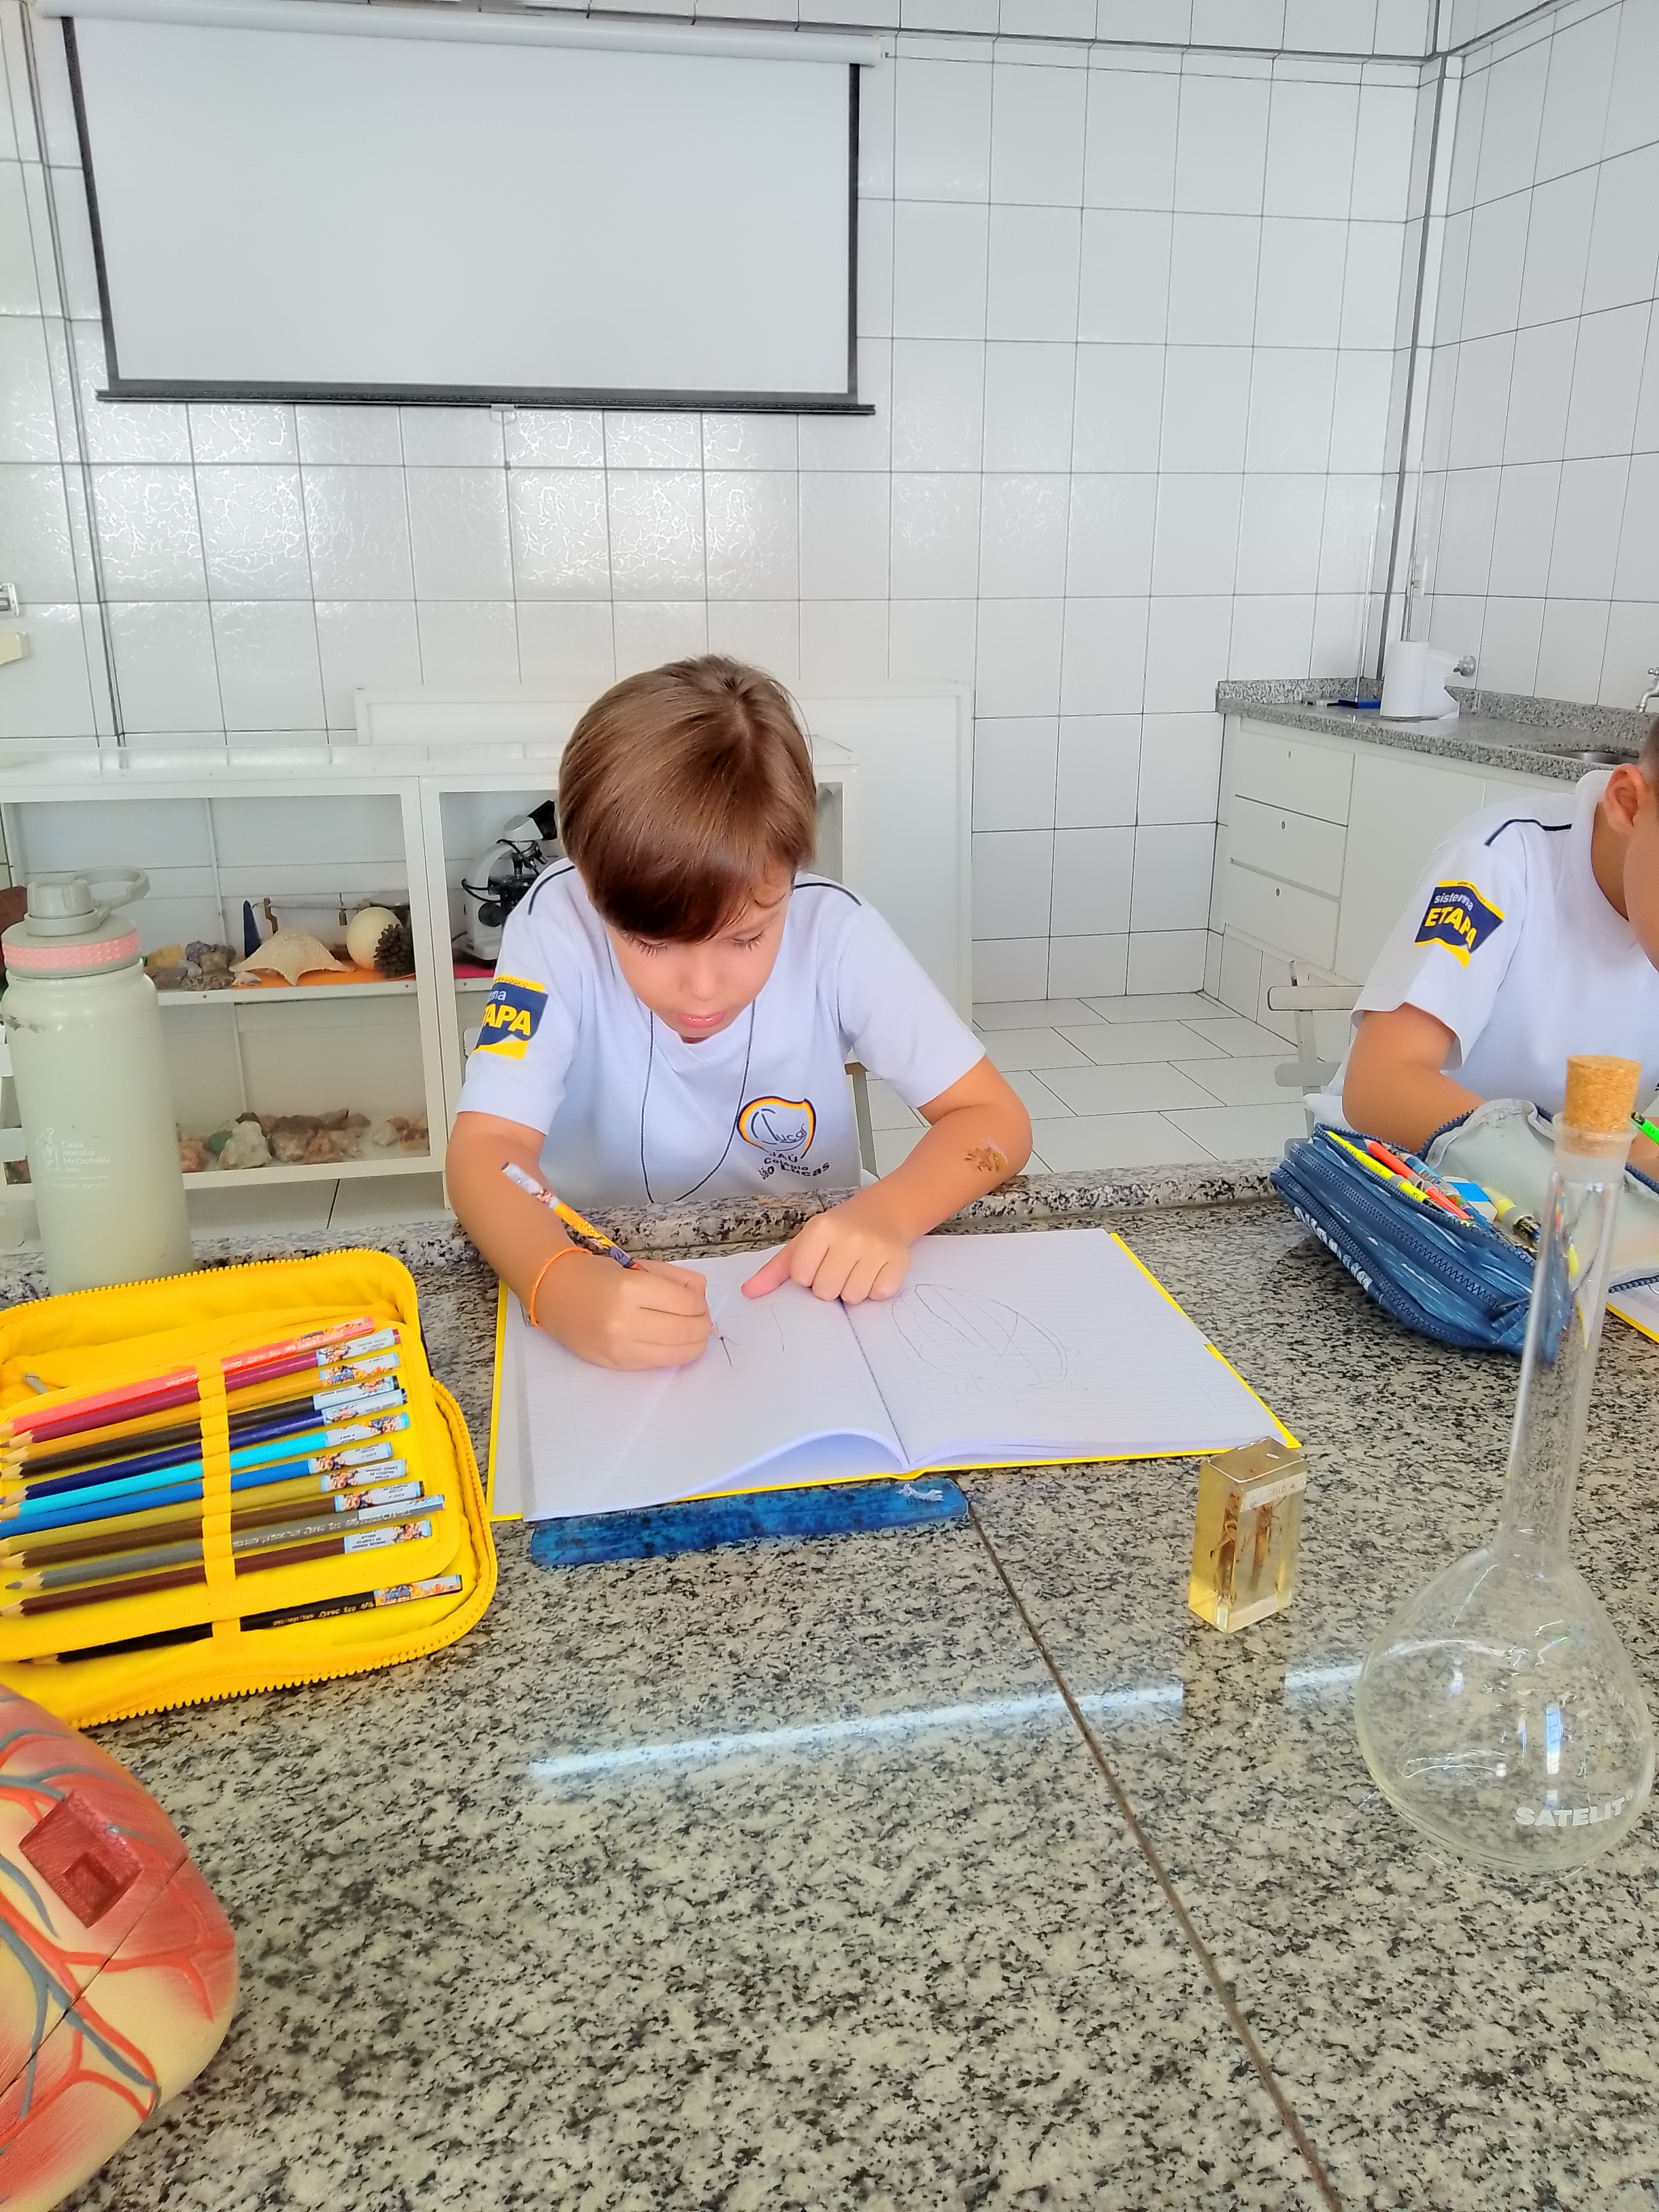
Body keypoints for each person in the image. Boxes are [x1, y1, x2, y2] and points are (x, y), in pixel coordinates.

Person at [446, 656, 1031, 1370]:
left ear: (793, 868)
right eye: (651, 943)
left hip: (804, 1298)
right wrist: (557, 1282)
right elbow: (485, 1150)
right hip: (608, 1267)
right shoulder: (555, 924)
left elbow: (995, 1120)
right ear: (591, 885)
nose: (702, 989)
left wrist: (889, 1212)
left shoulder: (837, 933)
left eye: (747, 938)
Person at [1339, 739, 1659, 1164]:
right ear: (1629, 804)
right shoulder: (1499, 861)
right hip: (1402, 1170)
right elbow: (1381, 1084)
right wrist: (1583, 1166)